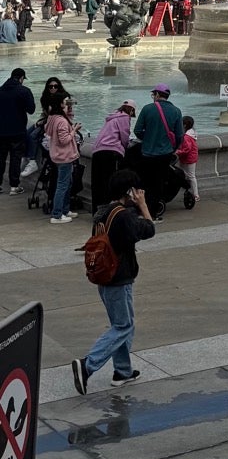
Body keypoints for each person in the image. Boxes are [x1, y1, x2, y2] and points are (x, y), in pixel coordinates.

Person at [71, 168, 156, 393]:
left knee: (121, 325)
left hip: (104, 277)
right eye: (136, 190)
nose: (139, 193)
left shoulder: (102, 212)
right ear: (129, 191)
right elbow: (149, 229)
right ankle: (87, 365)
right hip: (119, 278)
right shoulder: (124, 216)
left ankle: (123, 372)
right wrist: (143, 205)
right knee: (123, 326)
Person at [133, 85, 184, 219]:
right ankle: (153, 214)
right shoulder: (176, 111)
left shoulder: (147, 109)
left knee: (144, 182)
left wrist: (148, 138)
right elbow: (180, 135)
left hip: (147, 153)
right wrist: (172, 147)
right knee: (159, 183)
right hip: (165, 154)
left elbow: (137, 130)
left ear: (156, 94)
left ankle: (141, 211)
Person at [90, 100, 135, 211]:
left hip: (97, 151)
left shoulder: (113, 116)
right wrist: (125, 147)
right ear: (131, 110)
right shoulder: (124, 117)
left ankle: (96, 210)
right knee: (109, 182)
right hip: (110, 152)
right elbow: (124, 136)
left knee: (97, 183)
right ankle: (108, 210)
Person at [45, 93, 80, 223]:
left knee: (66, 183)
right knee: (62, 185)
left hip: (57, 155)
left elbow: (66, 119)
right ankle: (57, 214)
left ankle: (65, 210)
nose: (67, 104)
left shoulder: (53, 117)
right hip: (65, 156)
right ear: (60, 104)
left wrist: (69, 110)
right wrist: (74, 130)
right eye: (66, 102)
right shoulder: (61, 121)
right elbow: (64, 140)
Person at [0, 67, 34, 194]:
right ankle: (14, 186)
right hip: (17, 131)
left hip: (1, 131)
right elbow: (31, 109)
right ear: (21, 78)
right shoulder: (24, 91)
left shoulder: (0, 90)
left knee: (0, 158)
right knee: (15, 158)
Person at [177, 116, 199, 207]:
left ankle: (195, 194)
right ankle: (192, 192)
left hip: (188, 158)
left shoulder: (186, 137)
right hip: (190, 157)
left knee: (190, 176)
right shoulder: (191, 134)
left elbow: (186, 149)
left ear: (184, 125)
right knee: (189, 176)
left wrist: (177, 152)